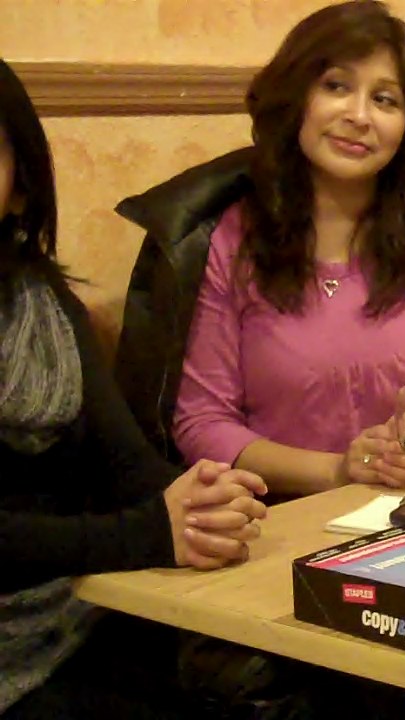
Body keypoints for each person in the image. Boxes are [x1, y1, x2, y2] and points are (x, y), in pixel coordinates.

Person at [114, 0, 405, 499]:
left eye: (385, 99)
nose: (359, 116)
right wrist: (338, 472)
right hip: (280, 513)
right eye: (336, 87)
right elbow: (201, 422)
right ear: (295, 98)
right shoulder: (225, 238)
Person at [0, 57, 270, 719]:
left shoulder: (42, 302)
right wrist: (148, 533)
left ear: (20, 189)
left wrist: (204, 501)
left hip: (72, 617)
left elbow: (126, 465)